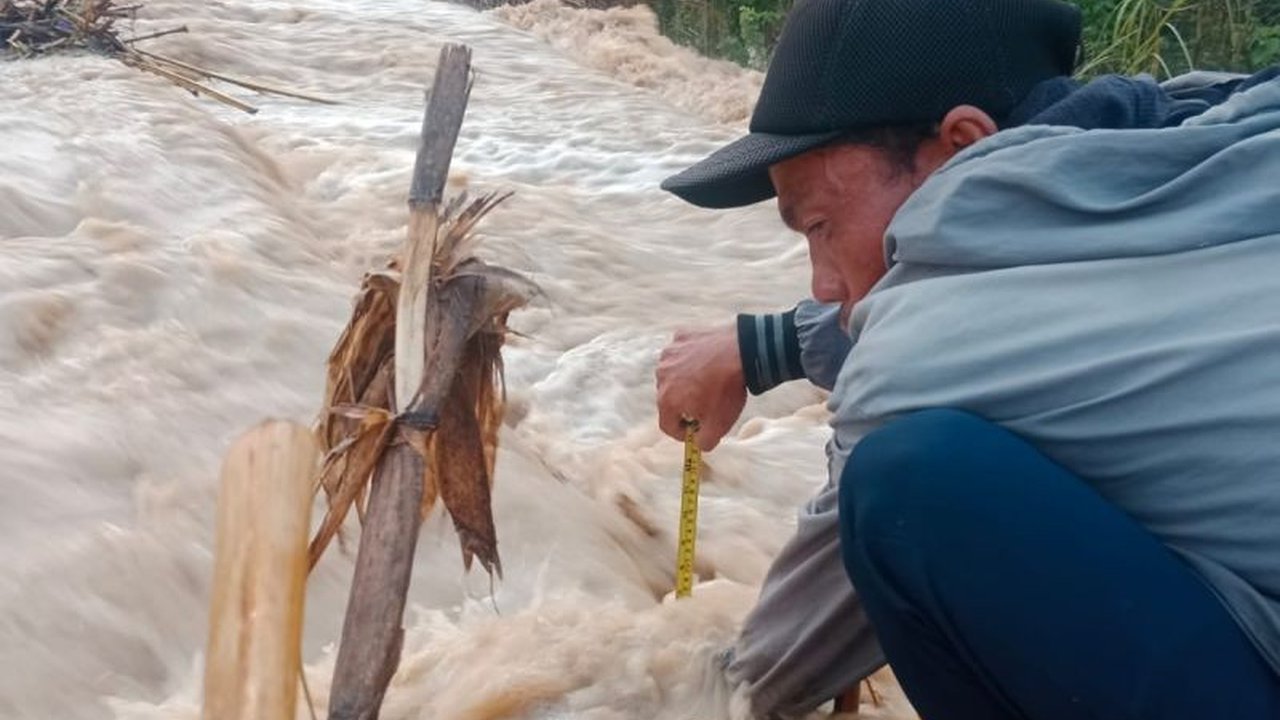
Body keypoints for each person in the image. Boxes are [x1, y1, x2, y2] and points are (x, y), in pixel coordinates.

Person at [654, 0, 1280, 717]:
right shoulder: (1218, 127)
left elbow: (767, 675)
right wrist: (767, 345)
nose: (823, 283)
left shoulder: (916, 360)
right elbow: (1040, 297)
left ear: (962, 146)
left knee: (911, 485)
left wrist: (654, 692)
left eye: (821, 226)